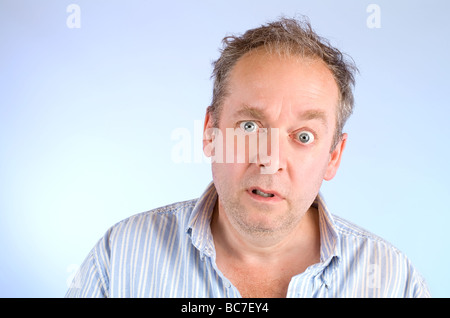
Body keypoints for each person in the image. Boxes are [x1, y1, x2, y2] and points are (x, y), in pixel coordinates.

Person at [66, 17, 430, 298]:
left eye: (303, 136)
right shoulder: (122, 256)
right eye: (250, 127)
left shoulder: (392, 279)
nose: (270, 161)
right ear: (211, 132)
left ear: (333, 156)